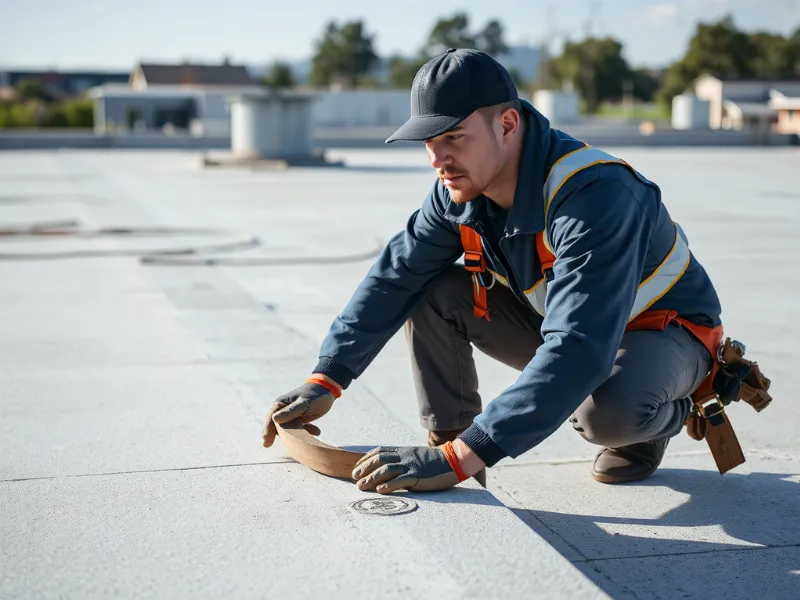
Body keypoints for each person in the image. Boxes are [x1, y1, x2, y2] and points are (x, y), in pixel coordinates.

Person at [261, 48, 724, 494]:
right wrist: (327, 376)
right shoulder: (458, 189)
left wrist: (468, 455)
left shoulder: (595, 196)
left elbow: (580, 346)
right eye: (429, 142)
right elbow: (396, 277)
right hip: (571, 325)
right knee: (432, 291)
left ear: (506, 124)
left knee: (607, 415)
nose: (437, 159)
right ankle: (447, 440)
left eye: (454, 137)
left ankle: (661, 418)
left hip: (665, 332)